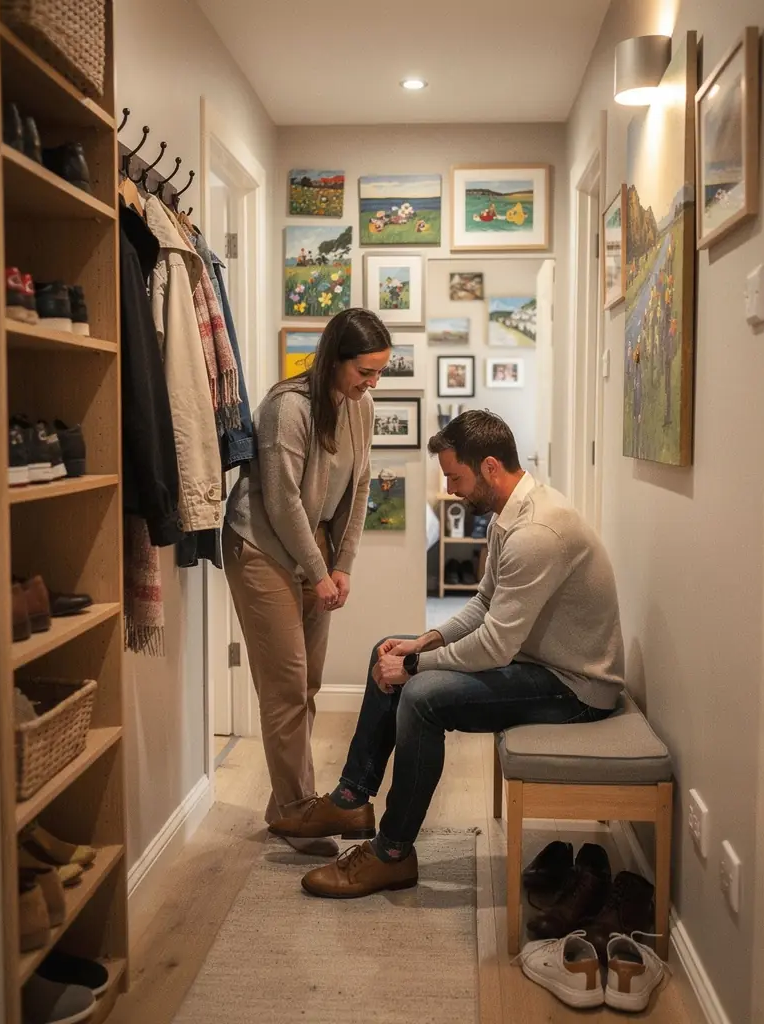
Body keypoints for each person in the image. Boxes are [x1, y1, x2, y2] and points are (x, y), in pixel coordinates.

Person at [269, 409, 626, 896]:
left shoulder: (537, 534)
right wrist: (422, 643)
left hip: (576, 688)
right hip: (539, 662)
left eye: (455, 477)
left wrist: (414, 666)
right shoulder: (511, 516)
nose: (450, 489)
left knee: (422, 697)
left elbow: (495, 645)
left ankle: (393, 853)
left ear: (490, 467)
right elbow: (483, 604)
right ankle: (352, 799)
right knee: (385, 650)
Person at [224, 308, 392, 856]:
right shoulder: (287, 407)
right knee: (286, 685)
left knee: (309, 683)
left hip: (312, 548)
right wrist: (319, 572)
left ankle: (284, 808)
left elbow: (360, 486)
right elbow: (281, 501)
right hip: (261, 547)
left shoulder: (360, 407)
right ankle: (298, 811)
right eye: (365, 371)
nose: (373, 383)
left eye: (379, 372)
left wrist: (342, 565)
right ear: (335, 359)